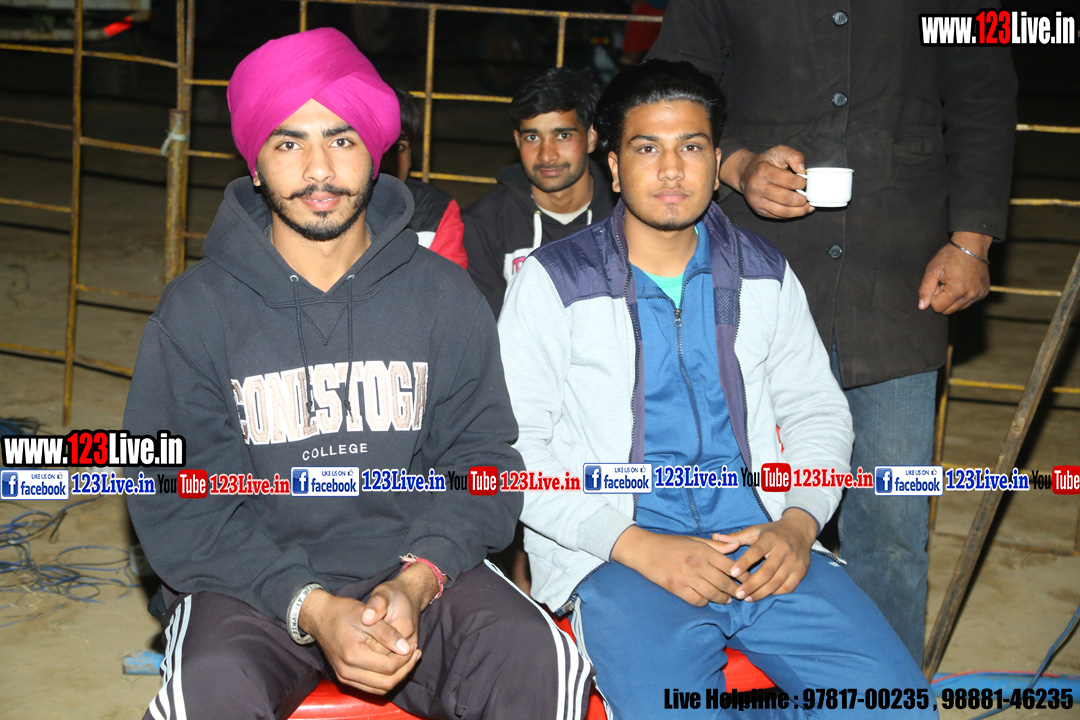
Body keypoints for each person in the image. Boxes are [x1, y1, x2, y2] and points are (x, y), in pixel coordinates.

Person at [124, 28, 590, 720]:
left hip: (416, 571)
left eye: (341, 140)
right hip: (249, 583)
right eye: (289, 144)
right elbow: (177, 499)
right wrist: (311, 607)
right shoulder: (195, 312)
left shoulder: (443, 297)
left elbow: (484, 466)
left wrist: (418, 580)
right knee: (209, 690)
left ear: (377, 155)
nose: (318, 169)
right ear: (255, 165)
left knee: (541, 659)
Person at [498, 59, 935, 719]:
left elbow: (816, 409)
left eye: (692, 147)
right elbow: (515, 452)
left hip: (765, 541)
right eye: (647, 148)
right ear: (612, 166)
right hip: (620, 557)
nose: (672, 170)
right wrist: (633, 544)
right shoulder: (554, 283)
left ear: (717, 161)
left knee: (896, 707)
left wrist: (799, 522)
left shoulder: (763, 273)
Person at [647, 0, 1018, 663]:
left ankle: (885, 693)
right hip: (750, 281)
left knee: (892, 526)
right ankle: (754, 685)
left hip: (900, 279)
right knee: (730, 504)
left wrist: (973, 239)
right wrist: (736, 166)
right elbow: (669, 89)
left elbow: (983, 89)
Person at [464, 67, 617, 319]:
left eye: (563, 135)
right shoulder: (483, 225)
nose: (547, 155)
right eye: (533, 137)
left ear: (591, 138)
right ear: (517, 141)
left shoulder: (625, 218)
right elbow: (490, 331)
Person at [381, 87, 468, 269]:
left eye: (398, 147)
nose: (387, 161)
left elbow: (449, 283)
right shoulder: (328, 204)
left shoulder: (434, 212)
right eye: (378, 146)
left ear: (411, 155)